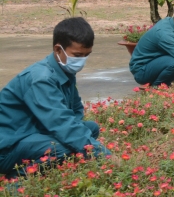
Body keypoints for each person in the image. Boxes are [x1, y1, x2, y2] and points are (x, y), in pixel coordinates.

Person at [0, 17, 110, 177]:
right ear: (58, 49)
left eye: (87, 55)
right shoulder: (41, 78)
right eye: (78, 55)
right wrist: (104, 155)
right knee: (64, 146)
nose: (82, 61)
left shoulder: (65, 71)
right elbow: (61, 123)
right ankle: (16, 181)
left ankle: (56, 162)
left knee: (90, 129)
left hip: (32, 133)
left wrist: (81, 139)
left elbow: (75, 112)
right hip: (9, 146)